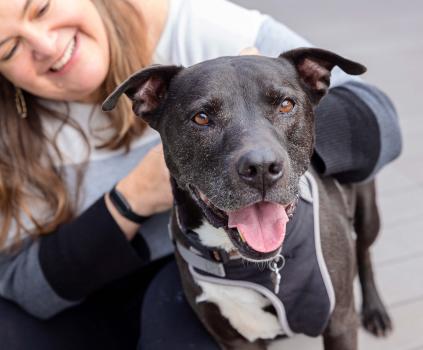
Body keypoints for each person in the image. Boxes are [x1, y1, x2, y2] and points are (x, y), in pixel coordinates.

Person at [0, 0, 401, 349]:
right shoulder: (12, 137)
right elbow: (23, 287)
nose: (46, 45)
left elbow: (378, 119)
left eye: (43, 7)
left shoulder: (200, 26)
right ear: (145, 101)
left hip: (181, 276)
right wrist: (132, 197)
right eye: (9, 47)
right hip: (117, 280)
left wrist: (276, 145)